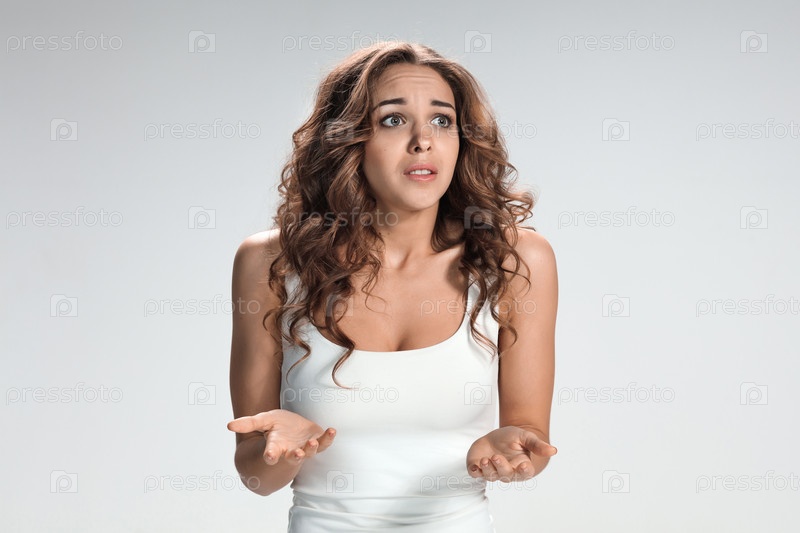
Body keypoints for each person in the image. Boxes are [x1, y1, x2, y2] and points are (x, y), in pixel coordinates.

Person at [226, 40, 558, 532]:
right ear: (347, 140)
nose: (423, 140)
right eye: (393, 120)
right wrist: (283, 451)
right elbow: (255, 473)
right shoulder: (270, 263)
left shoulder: (515, 260)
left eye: (442, 120)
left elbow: (531, 439)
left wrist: (508, 449)